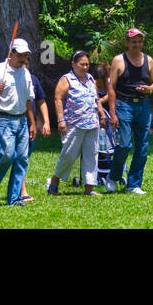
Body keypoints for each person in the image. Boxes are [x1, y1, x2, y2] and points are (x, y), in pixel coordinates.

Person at [0, 38, 37, 207]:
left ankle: (14, 198)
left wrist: (32, 122)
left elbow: (29, 99)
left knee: (22, 158)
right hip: (4, 118)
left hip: (22, 119)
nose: (23, 59)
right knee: (7, 155)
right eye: (20, 55)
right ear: (12, 53)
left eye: (25, 55)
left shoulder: (26, 72)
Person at [48, 50, 108, 197]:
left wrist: (101, 115)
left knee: (91, 155)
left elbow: (96, 100)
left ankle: (89, 188)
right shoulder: (66, 79)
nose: (85, 67)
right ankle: (54, 182)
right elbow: (58, 99)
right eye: (82, 64)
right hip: (74, 123)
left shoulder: (90, 79)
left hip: (91, 123)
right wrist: (60, 120)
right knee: (69, 155)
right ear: (73, 64)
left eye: (87, 64)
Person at [107, 27, 153, 194]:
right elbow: (111, 88)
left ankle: (133, 184)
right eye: (134, 41)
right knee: (124, 144)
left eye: (139, 41)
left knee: (142, 147)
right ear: (127, 43)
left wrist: (149, 89)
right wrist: (113, 113)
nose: (137, 44)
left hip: (143, 105)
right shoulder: (119, 60)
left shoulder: (148, 60)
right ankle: (113, 177)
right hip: (124, 105)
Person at [19, 70, 51, 202]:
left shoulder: (33, 79)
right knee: (16, 157)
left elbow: (41, 101)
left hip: (29, 124)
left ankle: (20, 189)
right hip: (15, 121)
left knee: (23, 157)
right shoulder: (9, 77)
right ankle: (21, 191)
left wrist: (46, 122)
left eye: (25, 62)